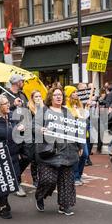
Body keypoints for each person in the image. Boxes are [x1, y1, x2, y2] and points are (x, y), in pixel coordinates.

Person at [34, 86, 81, 216]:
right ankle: (40, 196)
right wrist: (39, 129)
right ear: (50, 97)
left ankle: (64, 205)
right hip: (49, 152)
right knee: (47, 180)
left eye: (60, 95)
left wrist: (79, 146)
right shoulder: (43, 111)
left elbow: (75, 131)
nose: (58, 97)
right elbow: (33, 125)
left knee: (66, 180)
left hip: (67, 150)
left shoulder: (67, 112)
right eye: (55, 95)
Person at [64, 85, 89, 186]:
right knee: (76, 156)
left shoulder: (79, 105)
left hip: (81, 134)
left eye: (76, 92)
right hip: (72, 134)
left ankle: (79, 174)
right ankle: (75, 177)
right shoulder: (65, 106)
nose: (75, 94)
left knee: (84, 155)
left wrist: (86, 108)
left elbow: (84, 117)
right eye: (73, 92)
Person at [27, 90, 44, 187]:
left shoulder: (44, 108)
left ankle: (42, 177)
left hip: (42, 137)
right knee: (34, 159)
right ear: (32, 98)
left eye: (40, 96)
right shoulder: (29, 109)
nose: (38, 98)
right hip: (32, 137)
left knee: (42, 158)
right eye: (36, 97)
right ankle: (35, 178)